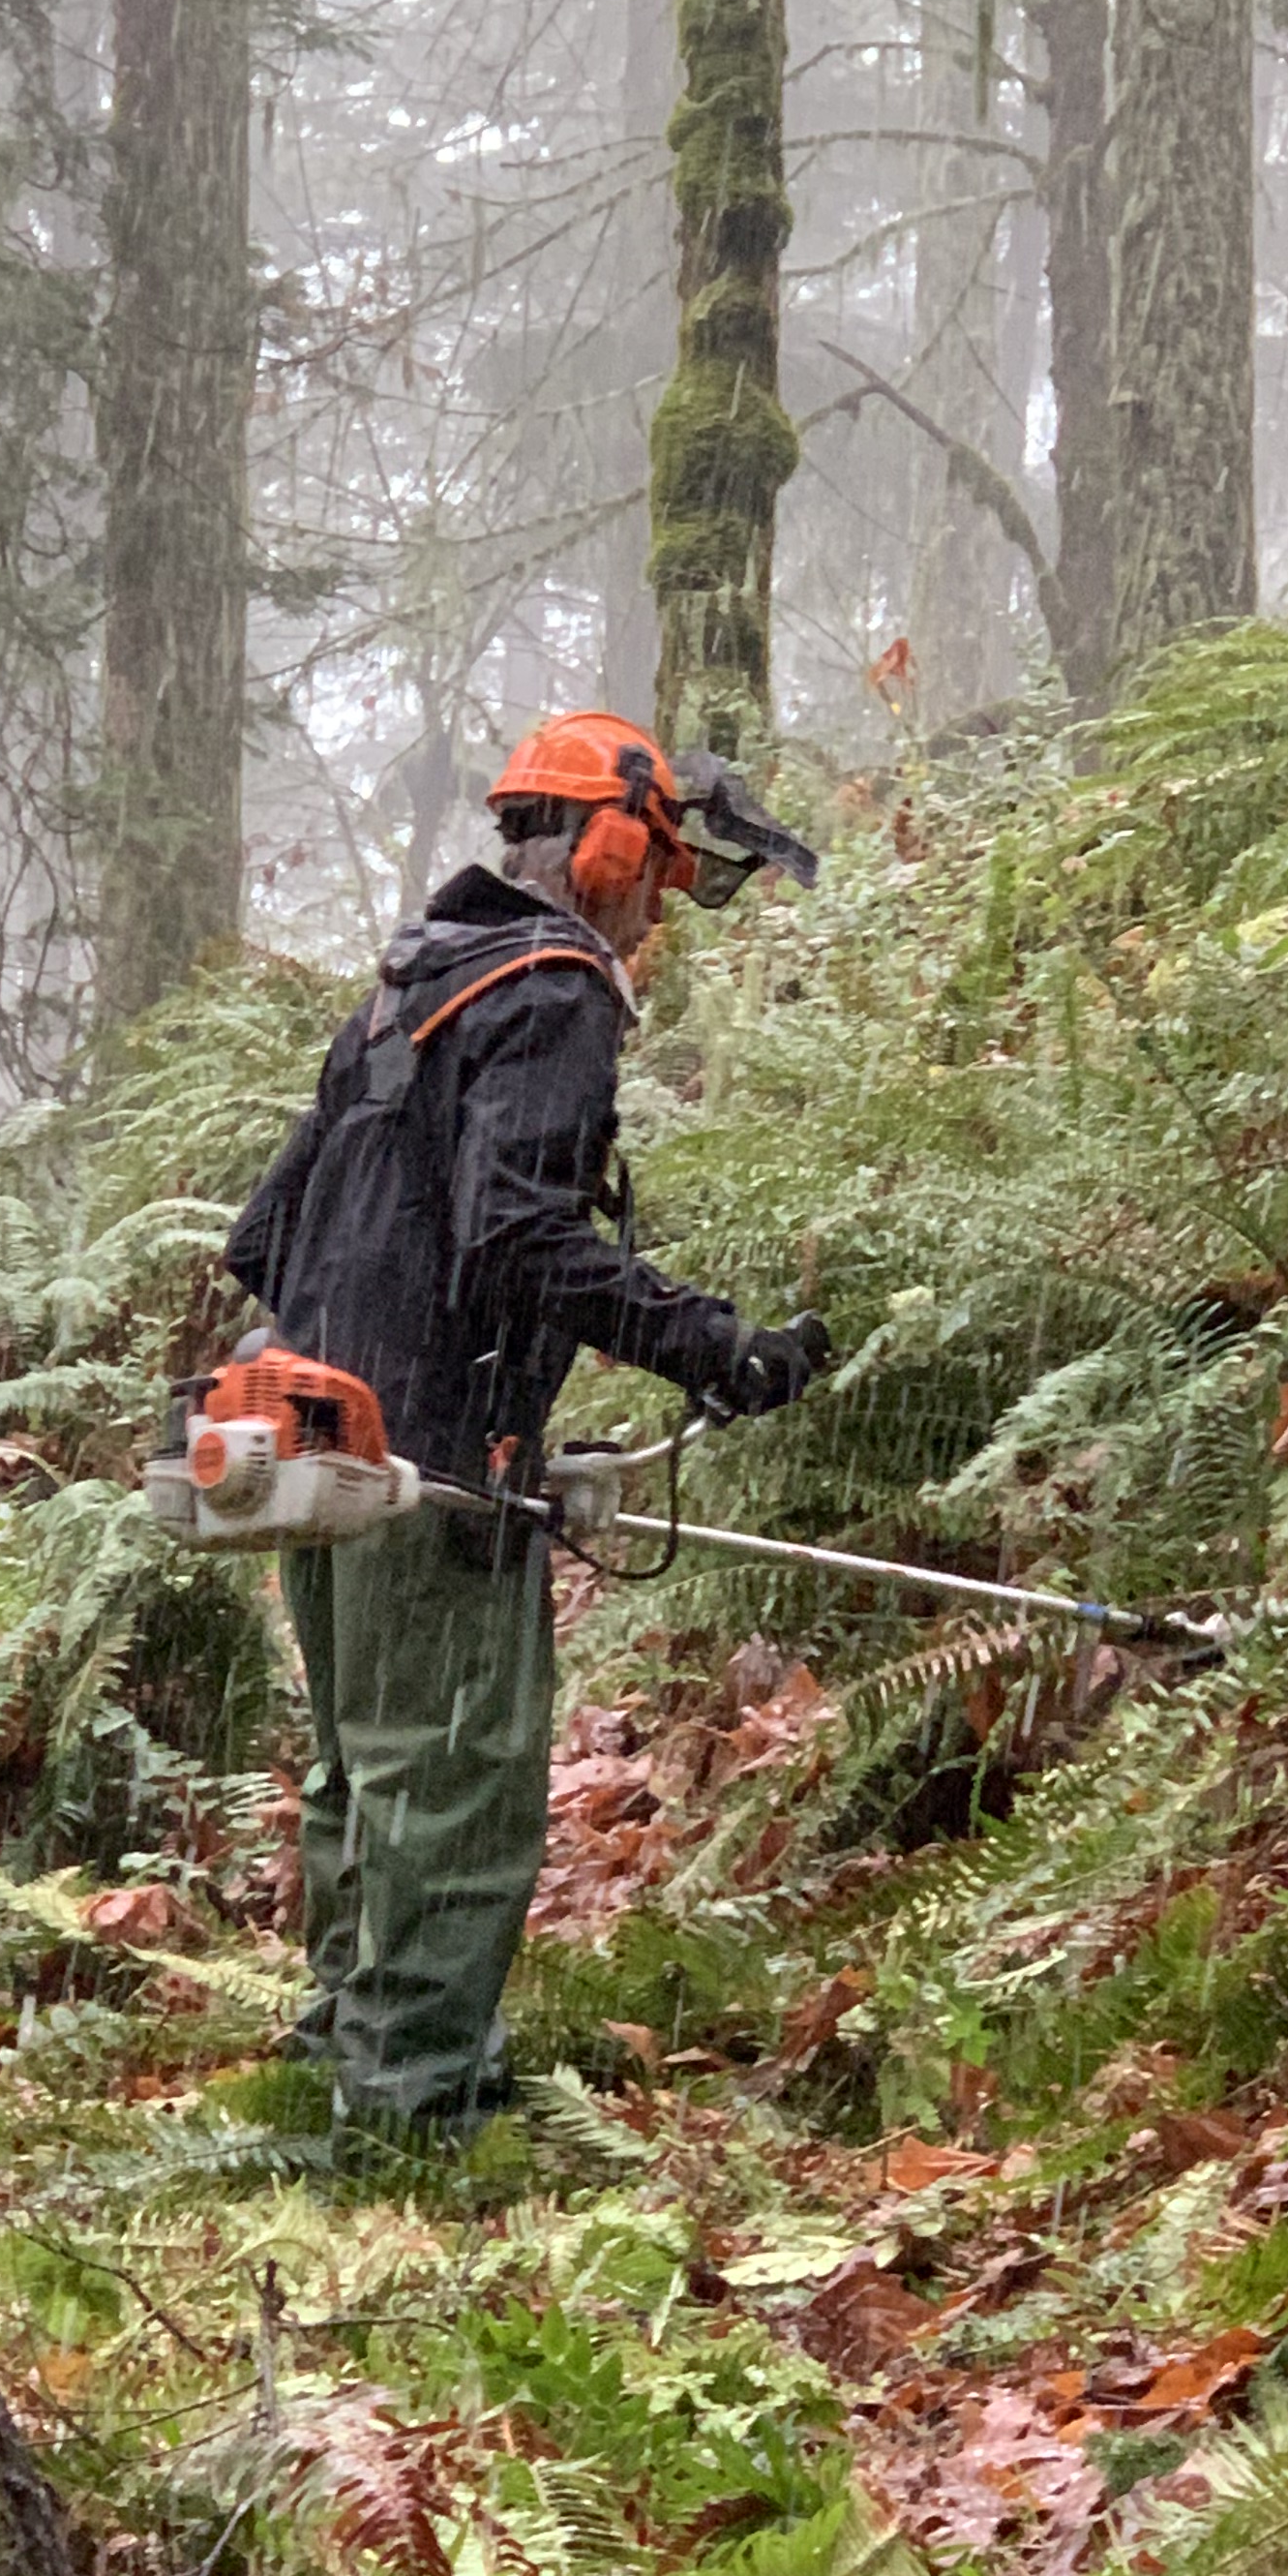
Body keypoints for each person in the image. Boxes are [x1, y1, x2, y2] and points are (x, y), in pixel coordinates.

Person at [223, 712, 831, 2143]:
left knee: (361, 1772)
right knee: (452, 1784)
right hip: (430, 1459)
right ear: (609, 851)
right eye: (659, 877)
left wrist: (359, 1343)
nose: (657, 914)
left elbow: (264, 1235)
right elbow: (518, 1236)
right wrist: (714, 1346)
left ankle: (345, 2059)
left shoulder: (408, 986)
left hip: (311, 1438)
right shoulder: (552, 993)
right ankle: (415, 2118)